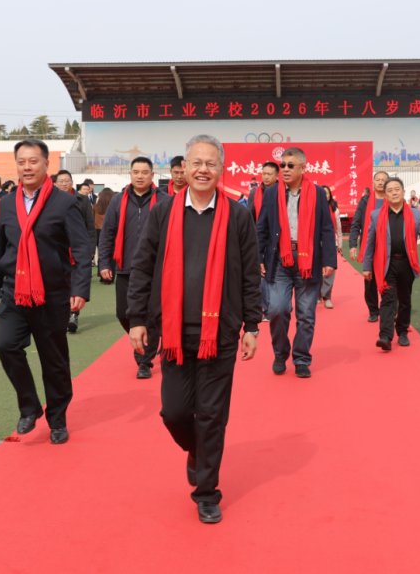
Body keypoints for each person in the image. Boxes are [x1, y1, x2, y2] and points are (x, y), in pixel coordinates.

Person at [125, 134, 261, 525]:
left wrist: (252, 324)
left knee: (212, 415)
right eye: (197, 162)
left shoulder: (237, 216)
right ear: (184, 167)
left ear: (222, 169)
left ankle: (206, 492)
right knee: (175, 413)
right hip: (174, 334)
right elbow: (143, 267)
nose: (203, 170)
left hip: (221, 332)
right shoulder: (164, 212)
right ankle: (197, 451)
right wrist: (137, 319)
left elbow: (250, 274)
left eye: (211, 163)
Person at [0, 139, 92, 444]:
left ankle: (57, 419)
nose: (27, 167)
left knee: (53, 360)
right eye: (22, 162)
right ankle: (30, 407)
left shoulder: (64, 203)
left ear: (47, 164)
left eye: (33, 161)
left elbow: (81, 249)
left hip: (53, 294)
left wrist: (80, 287)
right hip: (14, 291)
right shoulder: (7, 203)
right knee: (6, 346)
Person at [256, 146, 337, 378]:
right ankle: (280, 353)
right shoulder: (272, 193)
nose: (285, 169)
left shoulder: (317, 193)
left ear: (303, 167)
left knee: (306, 316)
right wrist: (258, 258)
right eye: (282, 165)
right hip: (279, 261)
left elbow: (327, 228)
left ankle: (301, 358)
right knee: (277, 310)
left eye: (290, 165)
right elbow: (261, 228)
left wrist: (330, 259)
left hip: (308, 262)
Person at [98, 157, 168, 378]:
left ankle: (144, 360)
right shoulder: (118, 201)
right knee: (123, 313)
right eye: (136, 172)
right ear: (130, 174)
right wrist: (104, 263)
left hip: (156, 269)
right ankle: (142, 338)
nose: (140, 176)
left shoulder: (165, 201)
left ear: (152, 175)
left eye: (144, 172)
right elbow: (107, 233)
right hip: (125, 266)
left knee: (150, 315)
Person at [361, 176, 420, 351]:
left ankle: (403, 332)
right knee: (387, 300)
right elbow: (370, 244)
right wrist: (367, 267)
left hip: (407, 263)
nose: (394, 193)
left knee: (405, 300)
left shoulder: (415, 214)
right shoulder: (376, 215)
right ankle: (385, 336)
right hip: (386, 264)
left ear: (403, 192)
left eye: (397, 189)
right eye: (390, 190)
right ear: (385, 195)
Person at [54, 171, 94, 333]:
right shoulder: (50, 200)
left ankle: (73, 315)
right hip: (56, 250)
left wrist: (90, 249)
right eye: (61, 181)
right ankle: (60, 315)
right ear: (56, 183)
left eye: (67, 180)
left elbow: (90, 226)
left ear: (72, 182)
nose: (64, 183)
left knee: (74, 283)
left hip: (76, 249)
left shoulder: (82, 200)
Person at [349, 171, 388, 322]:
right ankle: (373, 310)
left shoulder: (393, 199)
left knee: (389, 279)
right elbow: (356, 224)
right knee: (370, 281)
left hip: (389, 247)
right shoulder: (364, 201)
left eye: (383, 180)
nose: (380, 182)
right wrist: (353, 244)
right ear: (373, 182)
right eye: (377, 180)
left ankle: (387, 308)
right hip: (369, 247)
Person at [247, 161, 279, 319]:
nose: (266, 177)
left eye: (269, 174)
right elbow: (250, 216)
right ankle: (266, 308)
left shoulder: (283, 191)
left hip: (278, 240)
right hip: (259, 239)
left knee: (278, 275)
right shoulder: (254, 193)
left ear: (277, 176)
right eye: (264, 174)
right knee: (262, 275)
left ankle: (278, 304)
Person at [320, 185, 342, 308]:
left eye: (327, 193)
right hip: (316, 244)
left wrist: (339, 244)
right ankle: (317, 294)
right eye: (322, 193)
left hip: (330, 244)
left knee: (330, 271)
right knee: (316, 270)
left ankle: (327, 297)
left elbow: (338, 229)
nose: (325, 195)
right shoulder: (313, 208)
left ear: (330, 195)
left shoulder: (335, 210)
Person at [93, 187, 115, 281]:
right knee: (112, 253)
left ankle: (101, 273)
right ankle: (111, 275)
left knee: (102, 252)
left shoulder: (95, 207)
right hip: (111, 230)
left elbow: (93, 219)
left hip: (98, 230)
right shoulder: (114, 206)